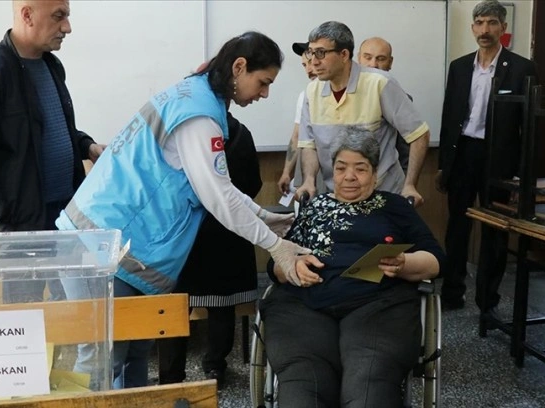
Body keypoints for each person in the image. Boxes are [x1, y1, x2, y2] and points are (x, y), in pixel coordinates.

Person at [56, 32, 311, 389]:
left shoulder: (196, 96)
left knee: (135, 351)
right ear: (239, 67)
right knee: (103, 359)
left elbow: (217, 185)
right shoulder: (199, 115)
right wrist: (274, 245)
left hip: (121, 243)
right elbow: (217, 196)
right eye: (263, 82)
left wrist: (264, 217)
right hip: (105, 244)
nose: (265, 93)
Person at [261, 128, 444, 407]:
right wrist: (292, 266)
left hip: (378, 306)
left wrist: (405, 263)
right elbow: (275, 263)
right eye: (341, 168)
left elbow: (436, 260)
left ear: (375, 173)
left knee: (369, 384)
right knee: (303, 385)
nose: (349, 176)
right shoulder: (314, 207)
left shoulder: (394, 206)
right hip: (304, 307)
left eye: (360, 169)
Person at [0, 0, 104, 303]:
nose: (67, 27)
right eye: (59, 16)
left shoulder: (51, 65)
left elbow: (53, 129)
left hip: (65, 217)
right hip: (20, 225)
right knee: (23, 312)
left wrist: (87, 146)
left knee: (70, 307)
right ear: (27, 15)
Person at [436, 0, 537, 315]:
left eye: (492, 22)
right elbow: (449, 115)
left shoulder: (521, 68)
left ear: (503, 28)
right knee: (457, 226)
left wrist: (521, 174)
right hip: (463, 153)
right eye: (479, 22)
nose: (485, 29)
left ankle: (487, 300)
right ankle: (452, 293)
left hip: (499, 158)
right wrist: (443, 165)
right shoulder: (459, 66)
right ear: (472, 27)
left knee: (494, 230)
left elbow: (529, 126)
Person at [156, 111, 262, 389]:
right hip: (227, 230)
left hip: (184, 231)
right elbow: (254, 184)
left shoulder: (182, 133)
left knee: (175, 306)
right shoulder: (241, 133)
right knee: (222, 304)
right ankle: (215, 367)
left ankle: (171, 376)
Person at [296, 21, 430, 206]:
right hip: (338, 195)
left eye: (321, 53)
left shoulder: (380, 83)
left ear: (344, 55)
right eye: (311, 53)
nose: (313, 61)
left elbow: (419, 134)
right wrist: (309, 180)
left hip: (384, 193)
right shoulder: (312, 91)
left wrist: (410, 185)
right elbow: (309, 145)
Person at [357, 36, 411, 174]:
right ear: (358, 59)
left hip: (384, 177)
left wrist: (407, 182)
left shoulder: (400, 100)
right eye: (367, 57)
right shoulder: (341, 95)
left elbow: (405, 152)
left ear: (390, 62)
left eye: (380, 59)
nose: (373, 64)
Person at [277, 41, 318, 195]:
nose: (309, 69)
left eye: (311, 62)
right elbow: (297, 134)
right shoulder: (306, 95)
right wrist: (286, 172)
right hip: (311, 169)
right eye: (304, 65)